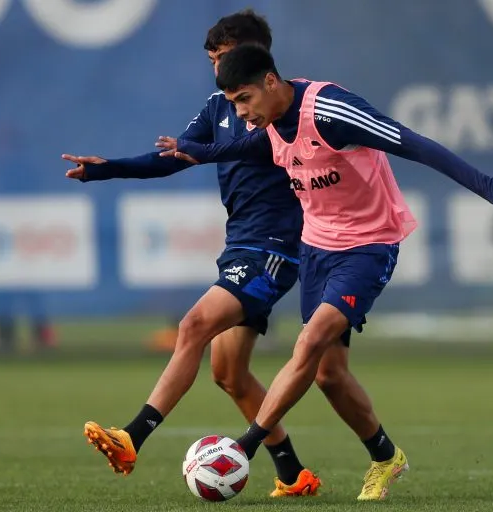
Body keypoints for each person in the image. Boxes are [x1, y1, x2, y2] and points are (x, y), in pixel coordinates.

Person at [156, 43, 493, 500]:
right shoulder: (270, 125)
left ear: (271, 82)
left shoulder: (331, 111)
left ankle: (243, 447)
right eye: (233, 103)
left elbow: (413, 143)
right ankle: (386, 457)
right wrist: (174, 154)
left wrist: (490, 187)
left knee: (311, 340)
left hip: (369, 245)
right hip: (317, 248)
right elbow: (230, 149)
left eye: (244, 99)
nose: (240, 113)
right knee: (328, 375)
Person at [62, 11, 322, 497]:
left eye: (222, 58)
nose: (216, 70)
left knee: (192, 327)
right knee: (229, 375)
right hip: (240, 244)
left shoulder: (276, 108)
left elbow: (241, 148)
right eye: (212, 61)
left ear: (255, 57)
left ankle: (132, 437)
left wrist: (198, 150)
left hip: (274, 250)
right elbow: (174, 156)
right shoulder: (218, 105)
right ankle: (293, 474)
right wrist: (108, 168)